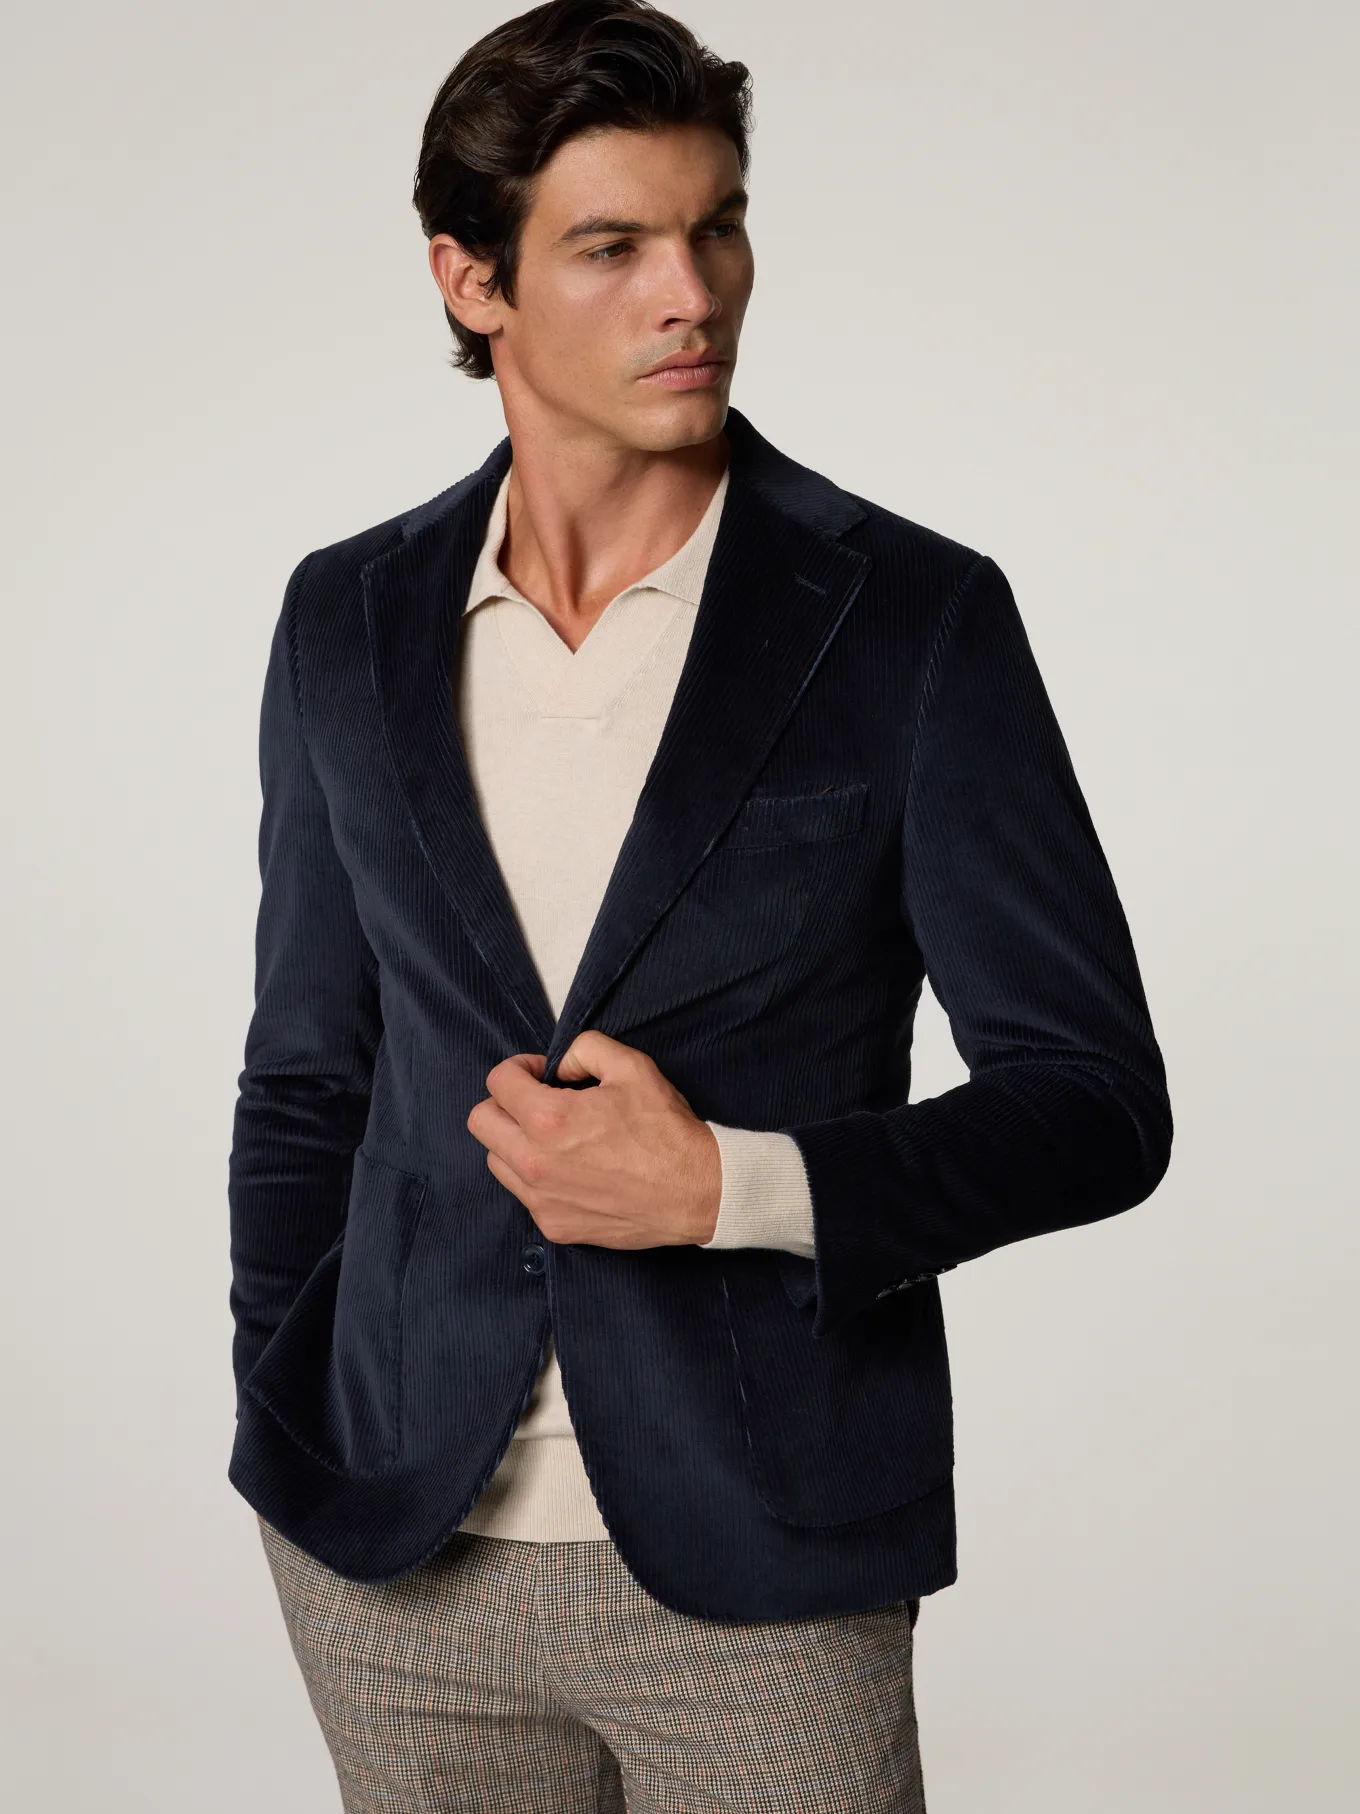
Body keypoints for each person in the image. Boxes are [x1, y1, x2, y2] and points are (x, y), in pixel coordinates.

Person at [226, 2, 1173, 1808]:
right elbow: (305, 1074)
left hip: (767, 1557)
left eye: (718, 226)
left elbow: (1097, 1101)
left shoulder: (911, 619)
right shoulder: (343, 617)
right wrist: (288, 1400)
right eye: (614, 246)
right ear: (471, 280)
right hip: (393, 1556)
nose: (695, 294)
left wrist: (731, 1187)